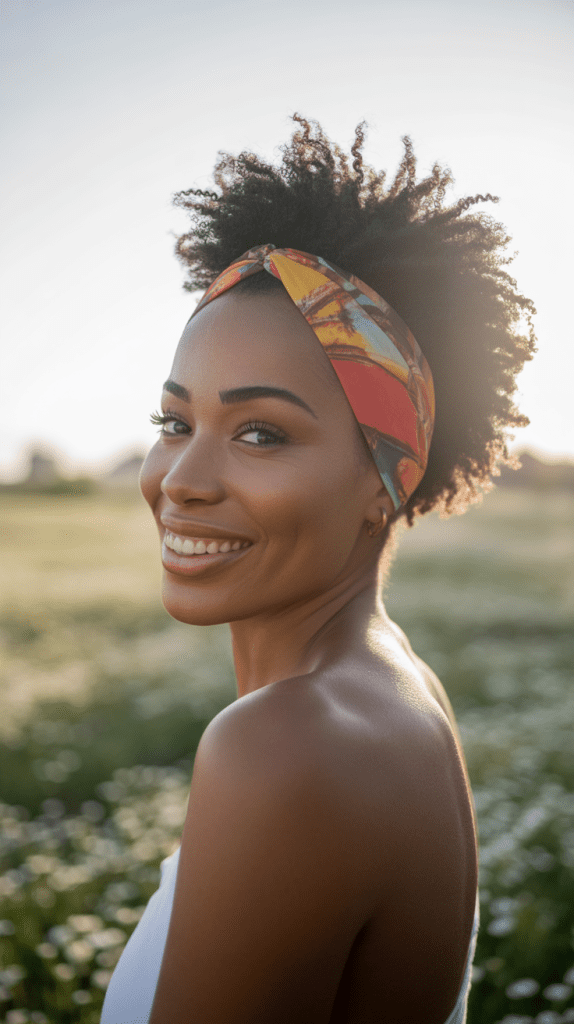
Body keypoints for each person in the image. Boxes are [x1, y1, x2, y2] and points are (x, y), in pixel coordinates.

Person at [100, 114, 536, 1024]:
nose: (181, 481)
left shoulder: (286, 745)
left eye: (261, 432)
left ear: (386, 482)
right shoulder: (393, 687)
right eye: (176, 422)